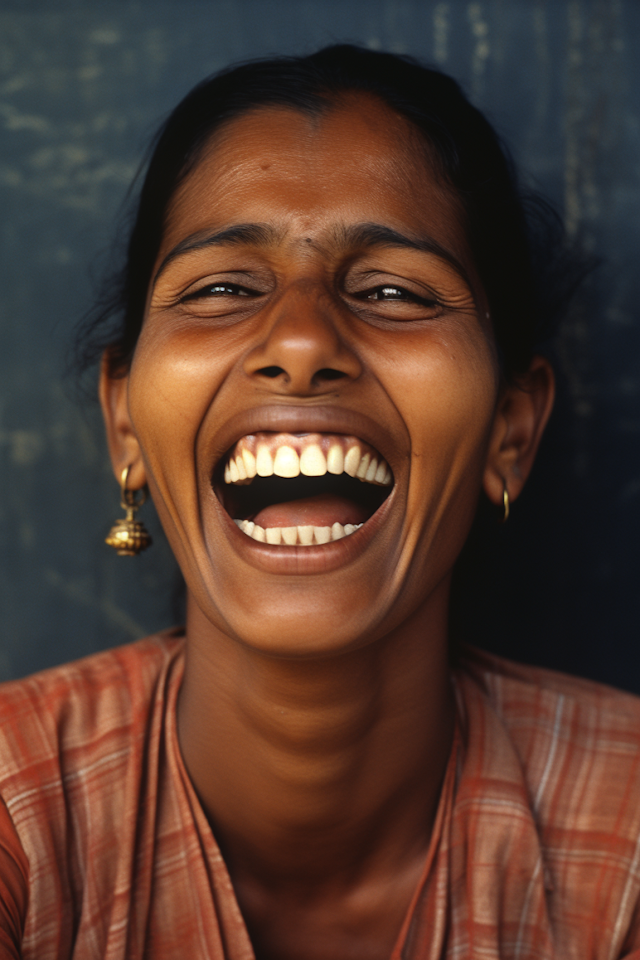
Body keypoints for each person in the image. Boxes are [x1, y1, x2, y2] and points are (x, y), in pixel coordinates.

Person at [0, 44, 639, 960]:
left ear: (511, 430)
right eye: (222, 288)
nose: (300, 341)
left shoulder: (627, 835)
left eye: (392, 290)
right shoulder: (18, 812)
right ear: (126, 424)